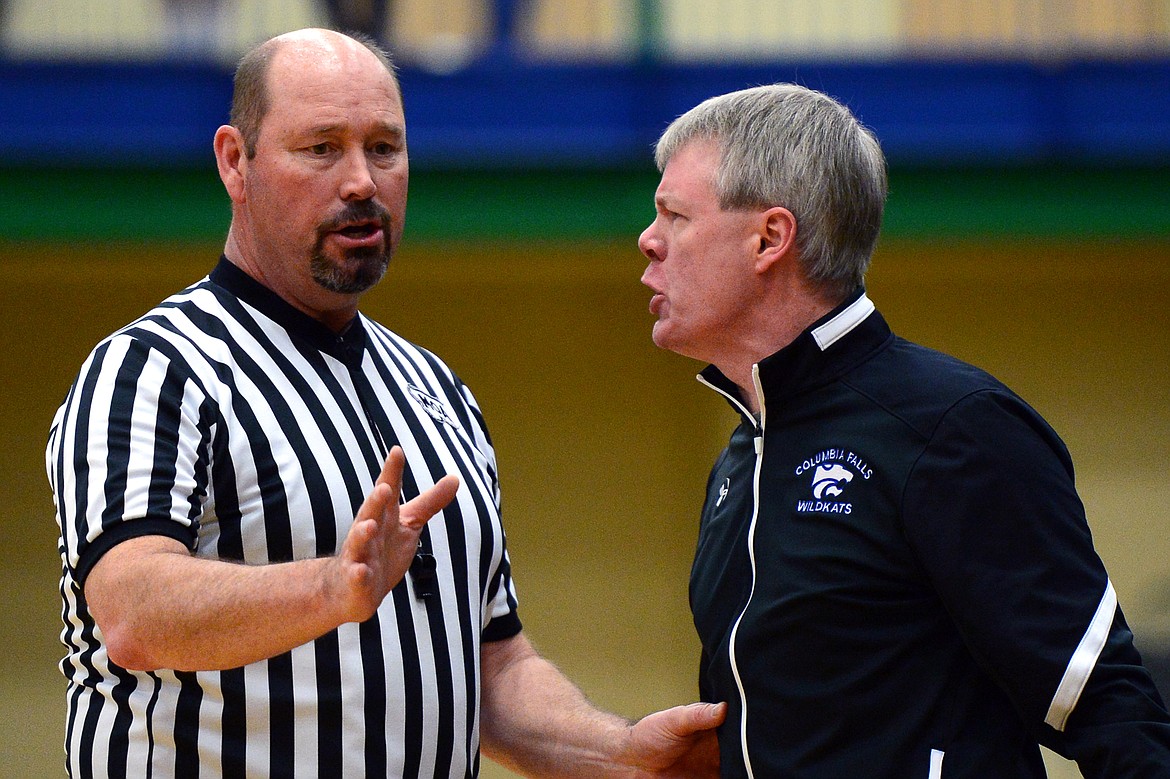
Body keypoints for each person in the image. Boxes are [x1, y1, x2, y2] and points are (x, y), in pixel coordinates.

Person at [46, 28, 724, 779]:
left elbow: (491, 670)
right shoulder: (153, 367)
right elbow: (132, 612)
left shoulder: (435, 389)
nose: (362, 181)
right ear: (235, 162)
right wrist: (332, 587)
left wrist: (623, 753)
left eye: (385, 148)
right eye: (321, 148)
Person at [636, 83, 1170, 778]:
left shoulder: (954, 428)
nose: (648, 241)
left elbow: (1114, 713)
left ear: (769, 237)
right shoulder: (741, 460)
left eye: (674, 215)